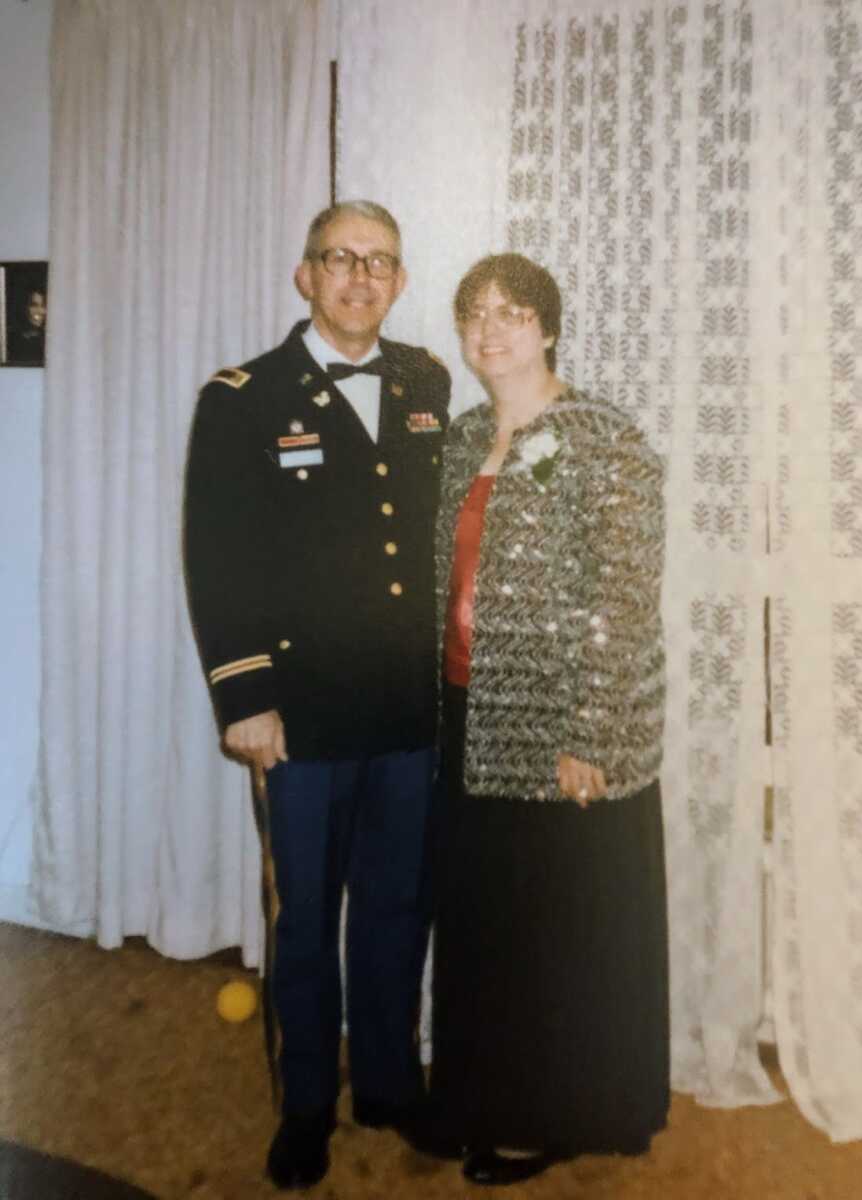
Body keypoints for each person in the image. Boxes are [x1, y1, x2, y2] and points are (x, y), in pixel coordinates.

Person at [184, 200, 450, 1191]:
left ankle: (385, 1080)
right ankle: (305, 1103)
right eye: (340, 258)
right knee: (306, 918)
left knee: (396, 904)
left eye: (380, 261)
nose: (360, 276)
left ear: (399, 280)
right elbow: (217, 554)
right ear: (305, 275)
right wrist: (243, 696)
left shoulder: (426, 379)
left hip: (404, 711)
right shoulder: (244, 396)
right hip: (297, 712)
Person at [428, 253, 669, 1185]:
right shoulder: (456, 439)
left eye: (512, 312)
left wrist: (593, 733)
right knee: (486, 928)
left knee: (557, 934)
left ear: (550, 327)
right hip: (467, 717)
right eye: (475, 314)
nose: (491, 330)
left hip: (561, 730)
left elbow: (624, 592)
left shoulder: (606, 437)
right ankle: (478, 1096)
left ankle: (558, 1112)